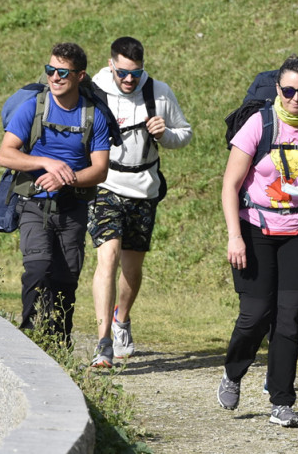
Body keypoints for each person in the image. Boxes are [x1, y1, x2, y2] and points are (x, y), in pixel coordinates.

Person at [218, 55, 298, 427]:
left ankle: (282, 401)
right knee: (256, 314)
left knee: (290, 317)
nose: (296, 98)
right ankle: (233, 371)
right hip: (255, 228)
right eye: (289, 90)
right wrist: (234, 236)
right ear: (278, 88)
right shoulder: (259, 125)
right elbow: (230, 184)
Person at [88, 36, 192, 368]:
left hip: (144, 187)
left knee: (132, 268)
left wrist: (165, 134)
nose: (129, 79)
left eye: (136, 73)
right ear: (110, 65)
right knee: (108, 257)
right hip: (105, 184)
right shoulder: (95, 89)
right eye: (123, 73)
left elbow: (184, 133)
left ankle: (122, 320)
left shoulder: (158, 92)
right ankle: (103, 342)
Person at [0, 42, 111, 344]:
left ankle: (58, 345)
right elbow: (6, 154)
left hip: (72, 208)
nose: (55, 77)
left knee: (65, 281)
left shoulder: (93, 116)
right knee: (37, 269)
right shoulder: (33, 108)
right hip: (33, 204)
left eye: (63, 72)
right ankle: (29, 340)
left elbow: (100, 170)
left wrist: (66, 179)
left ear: (80, 76)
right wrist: (44, 162)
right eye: (50, 70)